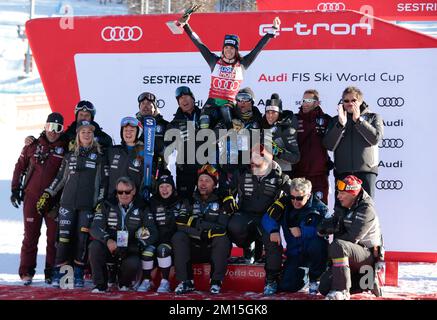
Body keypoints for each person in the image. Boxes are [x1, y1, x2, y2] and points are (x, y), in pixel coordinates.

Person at [177, 11, 281, 129]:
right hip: (212, 103)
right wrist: (186, 25)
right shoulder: (214, 61)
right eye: (226, 47)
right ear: (223, 49)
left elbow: (257, 49)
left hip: (229, 104)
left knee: (227, 116)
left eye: (232, 48)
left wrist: (272, 31)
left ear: (236, 51)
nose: (228, 50)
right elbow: (199, 44)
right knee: (204, 123)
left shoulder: (242, 64)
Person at [36, 120, 108, 288]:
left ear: (93, 135)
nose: (86, 135)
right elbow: (60, 179)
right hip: (67, 204)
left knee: (82, 240)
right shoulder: (69, 156)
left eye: (89, 132)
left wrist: (99, 202)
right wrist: (48, 193)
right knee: (63, 240)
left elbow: (103, 183)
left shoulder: (99, 156)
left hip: (87, 206)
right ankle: (60, 274)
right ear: (78, 135)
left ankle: (78, 273)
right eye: (83, 132)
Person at [11, 112, 67, 285]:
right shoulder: (32, 146)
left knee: (53, 238)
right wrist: (15, 189)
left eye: (57, 128)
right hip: (32, 198)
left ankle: (51, 272)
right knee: (30, 236)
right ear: (45, 126)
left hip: (53, 200)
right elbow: (19, 167)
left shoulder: (65, 148)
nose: (53, 131)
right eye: (50, 127)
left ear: (62, 130)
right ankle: (26, 272)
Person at [227, 144, 291, 286]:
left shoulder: (280, 177)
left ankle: (271, 279)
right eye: (251, 156)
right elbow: (226, 190)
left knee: (273, 240)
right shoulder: (241, 173)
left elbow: (293, 194)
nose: (252, 160)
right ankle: (248, 249)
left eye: (257, 157)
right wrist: (228, 198)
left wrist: (281, 203)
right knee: (234, 225)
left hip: (268, 218)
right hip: (245, 214)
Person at [317, 175, 383, 300]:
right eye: (338, 193)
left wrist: (331, 252)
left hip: (368, 255)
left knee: (338, 245)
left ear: (352, 193)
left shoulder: (366, 209)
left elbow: (352, 238)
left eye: (342, 193)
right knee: (324, 288)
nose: (338, 197)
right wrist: (323, 228)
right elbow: (332, 224)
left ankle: (342, 290)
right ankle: (366, 283)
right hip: (354, 255)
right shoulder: (346, 204)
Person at [89, 176, 158, 293]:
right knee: (95, 246)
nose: (123, 195)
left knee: (134, 262)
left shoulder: (143, 206)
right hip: (111, 245)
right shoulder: (106, 204)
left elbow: (153, 231)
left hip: (129, 247)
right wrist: (108, 240)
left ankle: (123, 282)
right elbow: (95, 227)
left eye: (127, 192)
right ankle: (100, 284)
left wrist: (138, 244)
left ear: (134, 191)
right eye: (120, 192)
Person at [262, 178, 329, 295]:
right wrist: (273, 230)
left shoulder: (320, 207)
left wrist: (303, 231)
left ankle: (316, 279)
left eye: (299, 198)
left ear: (308, 195)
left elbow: (328, 229)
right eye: (292, 197)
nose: (295, 201)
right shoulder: (284, 203)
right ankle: (303, 277)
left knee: (319, 243)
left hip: (314, 254)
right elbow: (267, 218)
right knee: (287, 286)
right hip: (295, 254)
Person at [172, 165, 232, 294]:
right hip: (193, 248)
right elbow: (181, 223)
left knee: (223, 238)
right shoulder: (189, 200)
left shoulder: (222, 202)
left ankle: (216, 282)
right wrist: (203, 233)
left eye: (207, 181)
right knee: (178, 236)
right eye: (201, 180)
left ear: (214, 185)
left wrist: (194, 223)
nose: (203, 184)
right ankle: (186, 282)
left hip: (212, 248)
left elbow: (221, 228)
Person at [323, 86, 384, 198]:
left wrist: (359, 121)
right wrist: (340, 125)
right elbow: (329, 145)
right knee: (341, 210)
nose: (350, 103)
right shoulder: (335, 120)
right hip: (343, 172)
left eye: (353, 100)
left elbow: (375, 139)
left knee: (365, 208)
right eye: (346, 101)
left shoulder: (373, 117)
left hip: (366, 172)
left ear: (360, 101)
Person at [141, 170, 190, 293]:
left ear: (172, 188)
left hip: (172, 242)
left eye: (167, 186)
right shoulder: (152, 202)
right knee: (147, 252)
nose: (164, 189)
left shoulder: (180, 201)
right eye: (161, 187)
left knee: (162, 250)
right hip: (155, 239)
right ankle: (147, 280)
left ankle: (165, 281)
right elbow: (147, 224)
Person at [215, 87, 263, 196]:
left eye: (246, 98)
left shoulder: (259, 120)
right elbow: (212, 137)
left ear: (252, 101)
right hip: (228, 169)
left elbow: (260, 144)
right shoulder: (229, 117)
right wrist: (228, 127)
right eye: (239, 98)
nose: (242, 102)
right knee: (226, 201)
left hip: (249, 170)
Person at [24, 100, 113, 152]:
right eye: (81, 115)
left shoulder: (98, 132)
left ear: (91, 118)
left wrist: (94, 140)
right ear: (76, 116)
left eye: (87, 115)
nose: (83, 118)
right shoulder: (68, 133)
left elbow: (109, 143)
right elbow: (50, 139)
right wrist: (32, 139)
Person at [292, 90, 332, 204]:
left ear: (317, 103)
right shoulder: (294, 119)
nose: (305, 103)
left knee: (320, 208)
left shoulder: (326, 120)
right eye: (303, 100)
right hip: (299, 174)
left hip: (319, 174)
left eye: (308, 100)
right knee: (298, 208)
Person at [165, 86, 202, 203]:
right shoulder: (173, 124)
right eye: (180, 99)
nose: (183, 100)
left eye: (186, 97)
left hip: (205, 170)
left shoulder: (206, 116)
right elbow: (167, 150)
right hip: (185, 172)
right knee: (185, 204)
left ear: (193, 98)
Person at [136, 92, 168, 192]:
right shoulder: (133, 125)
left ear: (154, 107)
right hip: (136, 169)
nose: (145, 106)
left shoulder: (164, 125)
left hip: (158, 169)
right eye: (143, 104)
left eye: (149, 104)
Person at [261, 93, 300, 178]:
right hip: (264, 173)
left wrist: (277, 151)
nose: (270, 116)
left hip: (283, 175)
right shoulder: (262, 126)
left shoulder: (287, 129)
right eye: (268, 112)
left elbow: (295, 158)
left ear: (279, 113)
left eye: (274, 112)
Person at [106, 116, 145, 200]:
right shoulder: (112, 151)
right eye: (125, 130)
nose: (128, 133)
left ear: (138, 133)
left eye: (132, 131)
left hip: (135, 203)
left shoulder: (144, 154)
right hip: (112, 202)